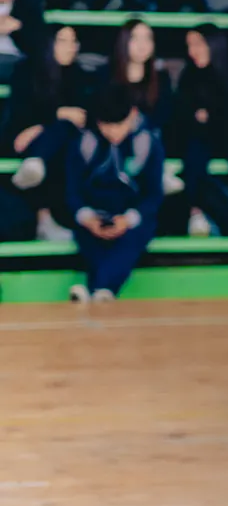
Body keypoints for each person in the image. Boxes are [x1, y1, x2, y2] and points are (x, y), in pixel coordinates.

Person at [64, 86, 165, 301]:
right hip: (94, 214)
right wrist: (87, 217)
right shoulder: (84, 143)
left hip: (133, 215)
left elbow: (154, 195)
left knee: (131, 240)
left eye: (120, 125)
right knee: (89, 240)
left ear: (133, 115)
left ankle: (96, 289)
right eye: (106, 127)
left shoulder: (148, 144)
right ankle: (103, 291)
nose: (113, 133)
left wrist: (128, 220)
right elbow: (71, 190)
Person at [172, 25, 228, 236]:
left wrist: (214, 118)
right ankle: (195, 214)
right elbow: (188, 118)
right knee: (194, 153)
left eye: (197, 44)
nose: (192, 51)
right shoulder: (190, 76)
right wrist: (225, 123)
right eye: (189, 45)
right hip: (206, 139)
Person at [8, 24, 95, 242]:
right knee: (63, 130)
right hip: (22, 140)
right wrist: (56, 115)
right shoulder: (27, 71)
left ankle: (37, 166)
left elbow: (82, 118)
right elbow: (19, 116)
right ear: (49, 44)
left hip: (56, 143)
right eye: (63, 41)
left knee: (66, 132)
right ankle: (45, 219)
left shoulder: (79, 76)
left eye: (74, 41)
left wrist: (46, 124)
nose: (70, 47)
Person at [110, 18, 174, 137]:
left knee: (144, 136)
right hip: (114, 136)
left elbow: (163, 117)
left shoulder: (161, 78)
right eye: (135, 38)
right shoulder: (108, 74)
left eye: (147, 38)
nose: (142, 44)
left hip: (148, 136)